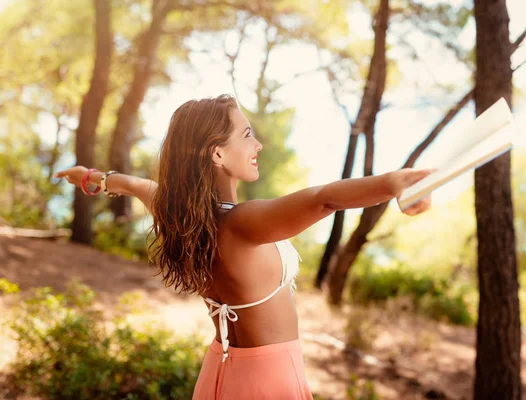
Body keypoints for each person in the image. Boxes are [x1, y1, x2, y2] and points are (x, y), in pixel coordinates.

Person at [54, 94, 433, 399]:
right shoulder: (241, 223)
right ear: (216, 153)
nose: (259, 143)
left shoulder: (178, 213)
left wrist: (91, 178)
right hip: (269, 378)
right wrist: (391, 183)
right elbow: (324, 199)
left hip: (222, 371)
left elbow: (133, 184)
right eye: (247, 134)